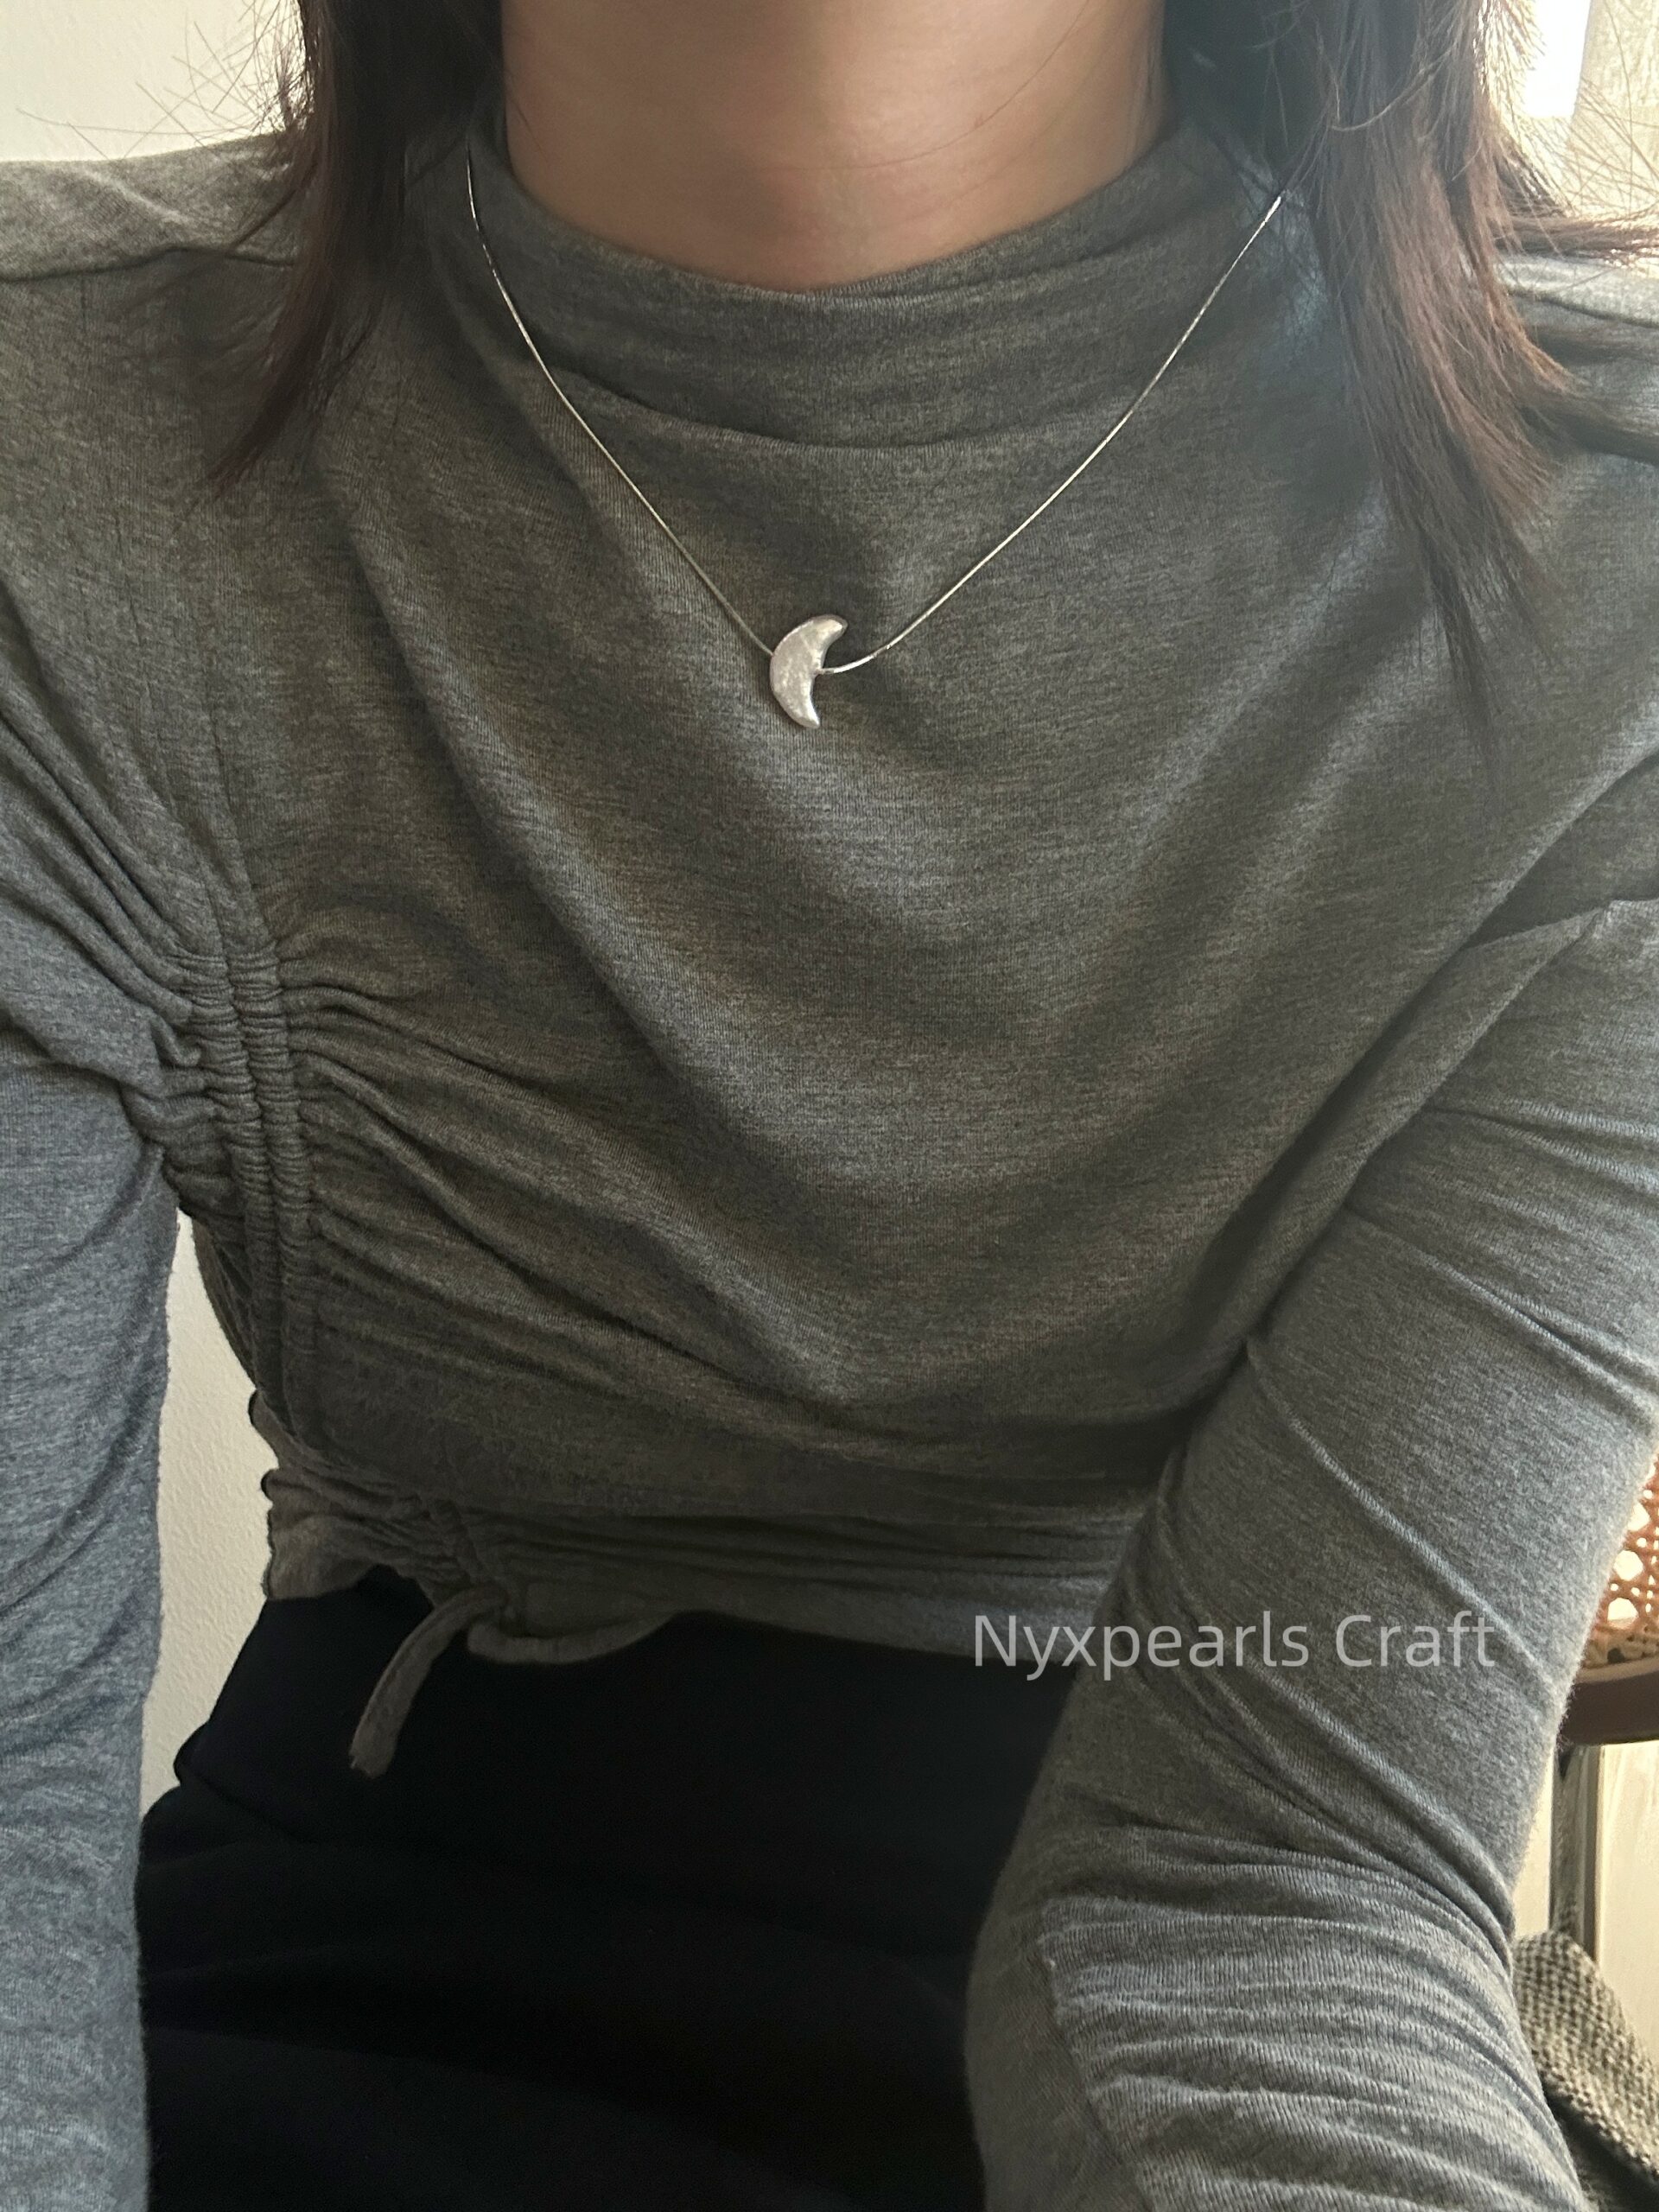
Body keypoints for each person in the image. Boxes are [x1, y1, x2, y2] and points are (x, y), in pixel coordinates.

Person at [3, 0, 1658, 2205]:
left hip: (1251, 1926)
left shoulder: (1609, 577)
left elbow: (1274, 1888)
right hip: (363, 1908)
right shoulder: (59, 427)